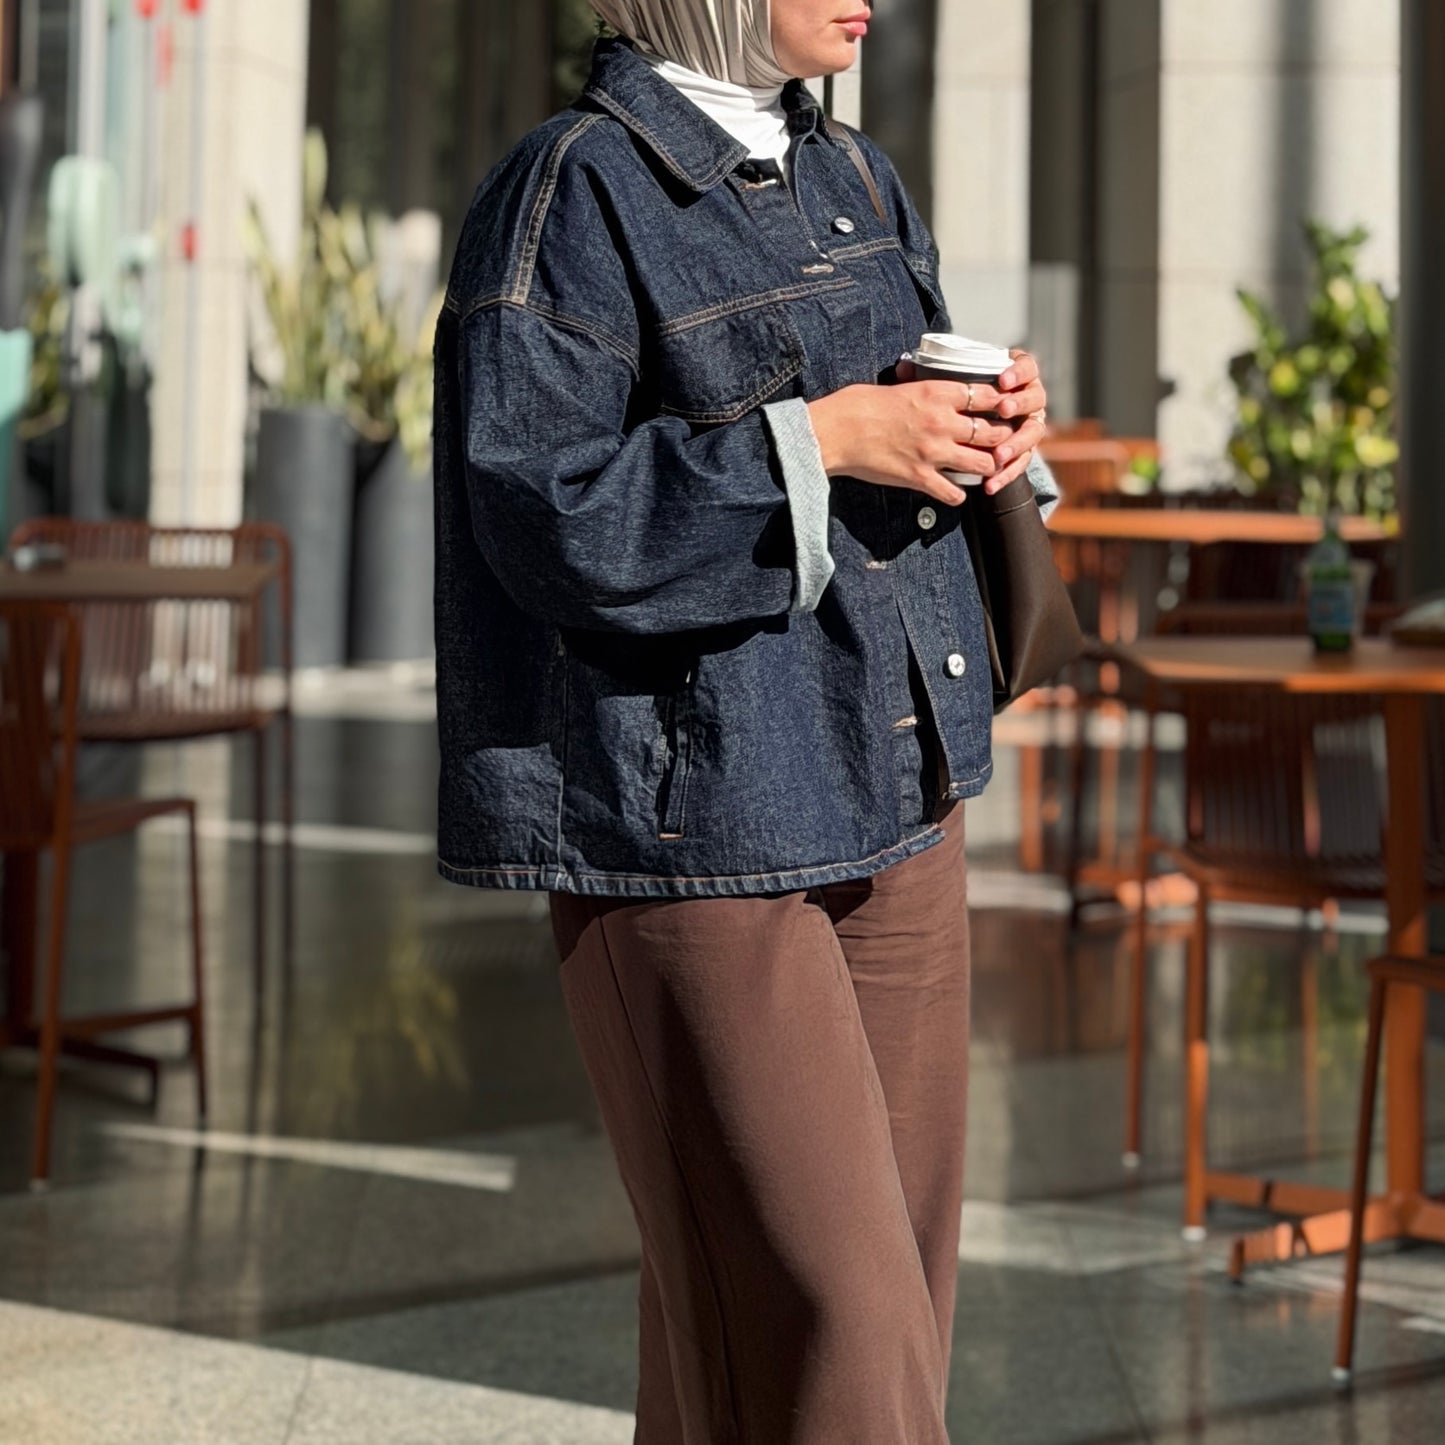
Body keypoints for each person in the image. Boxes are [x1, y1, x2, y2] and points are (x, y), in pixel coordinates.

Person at [433, 3, 1055, 1439]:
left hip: (898, 793)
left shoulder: (857, 178)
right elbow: (539, 514)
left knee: (843, 1321)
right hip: (694, 830)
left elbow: (898, 459)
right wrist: (820, 441)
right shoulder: (571, 189)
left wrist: (985, 432)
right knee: (835, 1330)